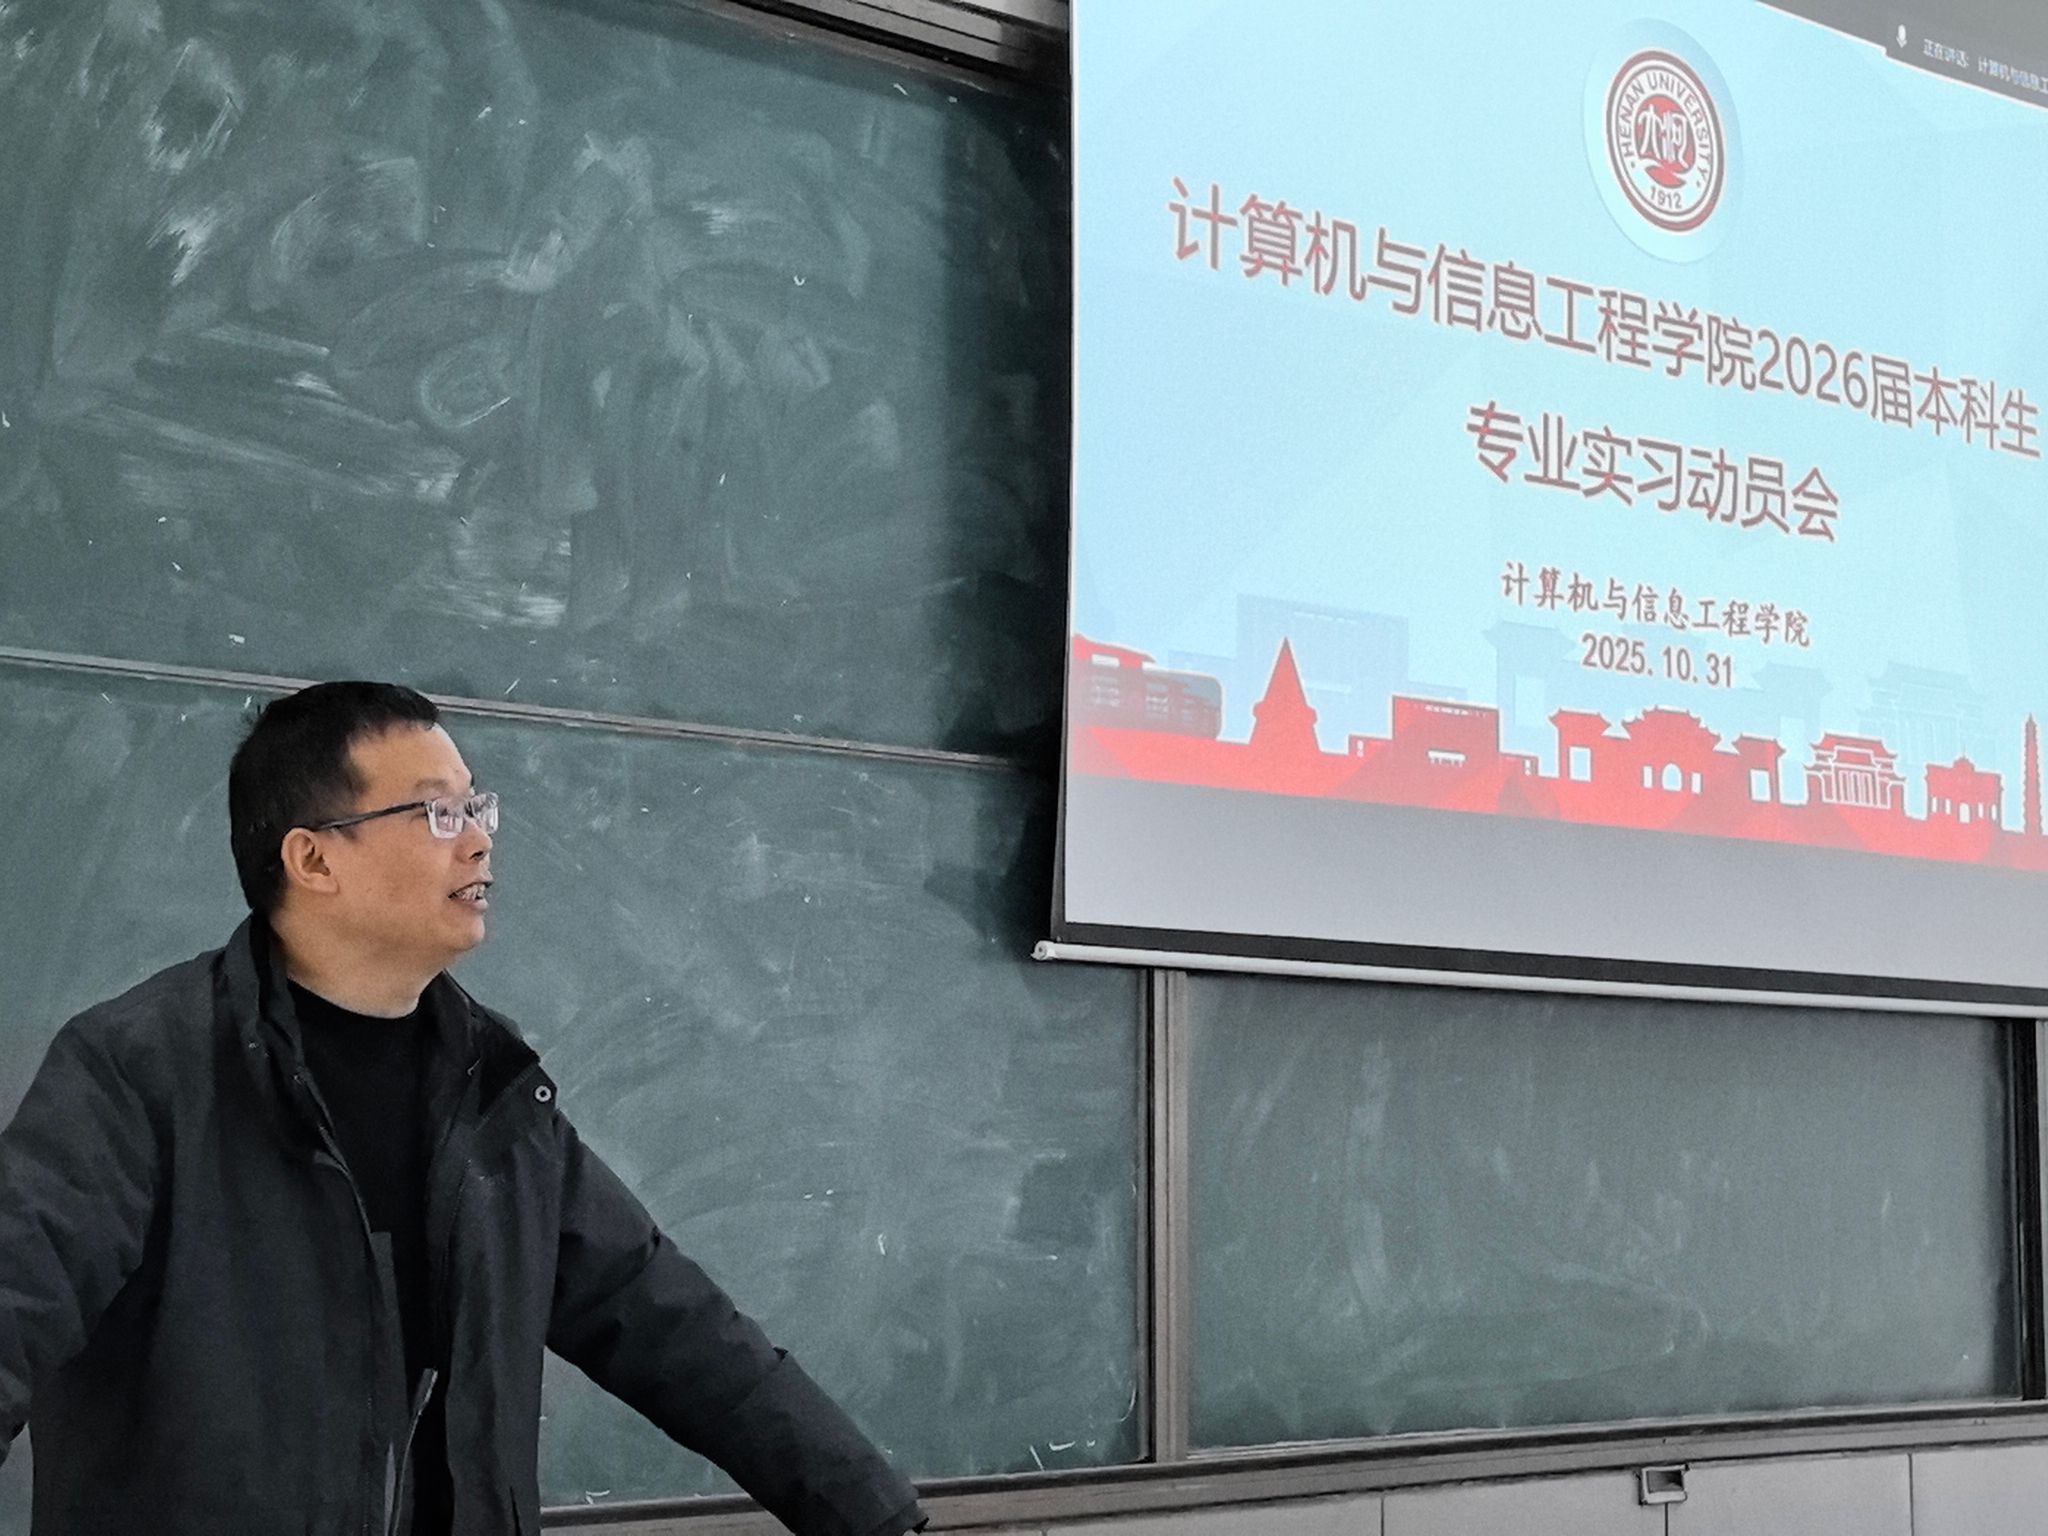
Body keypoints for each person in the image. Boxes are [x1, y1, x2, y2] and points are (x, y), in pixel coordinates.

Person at [0, 681, 926, 1536]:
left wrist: (881, 1521)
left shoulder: (492, 1093)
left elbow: (679, 1334)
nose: (478, 840)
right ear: (313, 858)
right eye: (436, 813)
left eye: (478, 808)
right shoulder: (141, 1071)